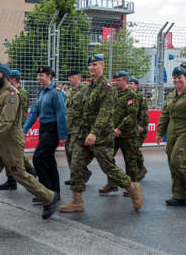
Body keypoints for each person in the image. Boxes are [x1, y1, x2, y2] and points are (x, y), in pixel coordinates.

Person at [0, 62, 59, 222]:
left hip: (10, 142)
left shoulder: (11, 95)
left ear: (6, 76)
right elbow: (1, 119)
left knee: (19, 174)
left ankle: (49, 197)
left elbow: (7, 122)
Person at [59, 55, 143, 213]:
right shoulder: (89, 87)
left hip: (101, 137)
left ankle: (132, 187)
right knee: (76, 164)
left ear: (103, 66)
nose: (92, 68)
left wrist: (94, 133)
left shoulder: (106, 87)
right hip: (83, 135)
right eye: (90, 65)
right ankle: (77, 201)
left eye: (95, 65)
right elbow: (83, 112)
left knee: (109, 168)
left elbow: (105, 113)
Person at [156, 66, 186, 206]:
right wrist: (159, 133)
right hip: (172, 132)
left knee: (178, 161)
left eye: (180, 77)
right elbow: (165, 114)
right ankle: (178, 195)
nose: (177, 80)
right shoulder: (171, 95)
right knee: (172, 162)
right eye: (175, 78)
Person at [23, 66, 67, 204]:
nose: (38, 78)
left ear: (49, 76)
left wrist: (62, 135)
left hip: (52, 129)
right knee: (49, 160)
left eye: (41, 75)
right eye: (38, 75)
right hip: (43, 129)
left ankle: (46, 192)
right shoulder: (41, 93)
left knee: (38, 158)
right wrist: (24, 130)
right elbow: (34, 113)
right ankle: (54, 193)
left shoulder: (56, 93)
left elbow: (61, 114)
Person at [99, 71, 139, 196]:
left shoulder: (131, 95)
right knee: (108, 158)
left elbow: (131, 115)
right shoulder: (114, 94)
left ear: (125, 81)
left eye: (118, 80)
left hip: (128, 134)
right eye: (114, 80)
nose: (115, 82)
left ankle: (132, 187)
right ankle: (112, 183)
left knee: (130, 161)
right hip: (113, 132)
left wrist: (120, 129)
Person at [0, 69, 37, 191]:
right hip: (8, 128)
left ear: (13, 79)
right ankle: (12, 181)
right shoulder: (10, 91)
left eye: (8, 78)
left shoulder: (21, 92)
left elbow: (22, 115)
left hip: (15, 129)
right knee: (9, 155)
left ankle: (30, 171)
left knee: (13, 155)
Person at [64, 70, 92, 186]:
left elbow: (88, 109)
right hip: (70, 128)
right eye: (69, 77)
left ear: (79, 77)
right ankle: (79, 173)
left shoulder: (85, 90)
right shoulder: (69, 92)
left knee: (76, 153)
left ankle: (78, 177)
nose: (70, 79)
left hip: (80, 128)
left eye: (72, 77)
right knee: (68, 152)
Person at [128, 76, 149, 180]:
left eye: (132, 83)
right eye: (128, 83)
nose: (129, 85)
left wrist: (141, 125)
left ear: (136, 85)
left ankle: (141, 168)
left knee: (134, 148)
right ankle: (139, 168)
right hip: (130, 128)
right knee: (131, 149)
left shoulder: (140, 97)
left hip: (139, 127)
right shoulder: (128, 96)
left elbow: (144, 113)